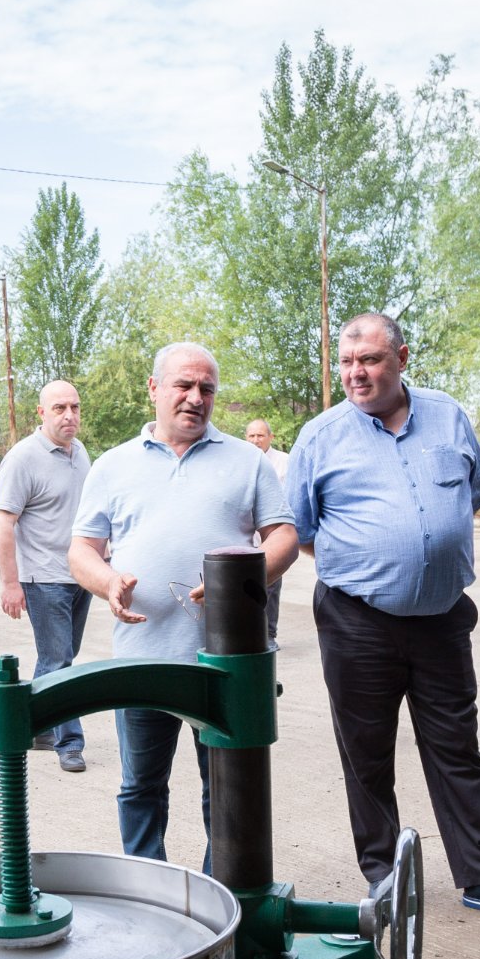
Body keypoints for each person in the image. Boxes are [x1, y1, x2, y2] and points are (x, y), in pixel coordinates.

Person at [287, 313, 480, 923]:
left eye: (370, 360)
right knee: (366, 755)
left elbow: (475, 497)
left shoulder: (448, 415)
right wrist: (367, 562)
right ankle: (386, 878)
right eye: (347, 363)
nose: (356, 373)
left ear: (402, 358)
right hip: (356, 621)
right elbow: (299, 531)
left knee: (458, 750)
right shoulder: (320, 438)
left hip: (442, 620)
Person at [70, 343, 295, 864]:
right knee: (140, 787)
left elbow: (283, 536)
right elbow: (81, 550)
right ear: (154, 388)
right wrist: (108, 581)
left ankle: (222, 890)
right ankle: (148, 886)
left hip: (225, 665)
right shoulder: (113, 465)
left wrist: (238, 580)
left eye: (207, 389)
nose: (196, 398)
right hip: (143, 661)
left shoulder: (246, 460)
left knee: (227, 788)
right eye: (184, 385)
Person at [0, 379, 93, 772]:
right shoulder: (23, 458)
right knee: (60, 659)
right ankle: (69, 743)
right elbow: (3, 523)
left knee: (59, 656)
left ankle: (37, 726)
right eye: (59, 408)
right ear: (41, 412)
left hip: (79, 575)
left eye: (75, 407)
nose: (69, 415)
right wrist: (10, 583)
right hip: (43, 578)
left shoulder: (80, 453)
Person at [244, 417, 290, 639]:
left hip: (273, 533)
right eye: (251, 435)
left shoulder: (284, 462)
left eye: (260, 435)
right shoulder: (240, 459)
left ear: (271, 437)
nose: (256, 440)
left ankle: (269, 634)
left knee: (270, 584)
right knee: (244, 587)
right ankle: (249, 633)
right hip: (245, 535)